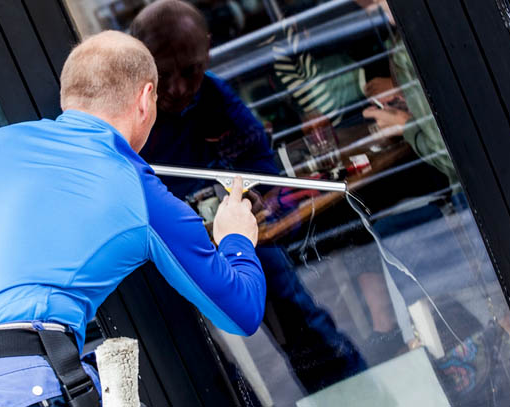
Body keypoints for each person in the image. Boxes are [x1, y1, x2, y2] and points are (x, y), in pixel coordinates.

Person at [0, 31, 266, 406]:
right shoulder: (140, 193)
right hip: (17, 389)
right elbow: (239, 311)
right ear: (146, 99)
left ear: (68, 97)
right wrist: (236, 238)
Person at [130, 0, 366, 394]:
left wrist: (255, 197)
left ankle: (354, 395)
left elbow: (261, 164)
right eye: (164, 74)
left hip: (224, 237)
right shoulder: (129, 113)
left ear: (207, 49)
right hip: (156, 254)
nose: (179, 88)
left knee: (301, 320)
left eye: (191, 70)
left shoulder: (212, 95)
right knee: (197, 362)